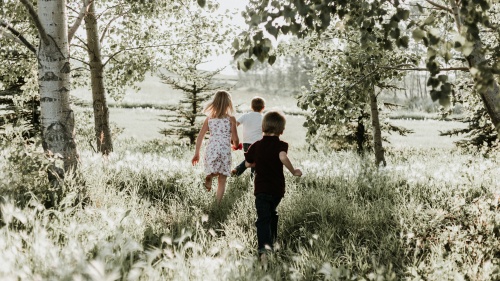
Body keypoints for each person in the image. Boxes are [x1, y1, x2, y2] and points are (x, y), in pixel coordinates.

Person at [244, 111, 302, 262]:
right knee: (272, 214)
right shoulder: (282, 145)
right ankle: (273, 243)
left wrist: (253, 163)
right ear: (281, 130)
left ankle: (264, 252)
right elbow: (282, 156)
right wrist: (294, 171)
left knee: (263, 219)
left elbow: (248, 163)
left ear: (263, 126)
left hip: (261, 189)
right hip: (277, 190)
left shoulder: (256, 145)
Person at [192, 90, 239, 203]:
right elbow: (236, 139)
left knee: (212, 168)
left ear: (215, 103)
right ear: (229, 104)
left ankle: (210, 175)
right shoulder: (231, 119)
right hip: (224, 149)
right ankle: (218, 204)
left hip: (211, 148)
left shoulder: (209, 118)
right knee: (222, 179)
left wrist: (197, 153)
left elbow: (200, 137)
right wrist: (236, 145)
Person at [231, 96, 266, 178]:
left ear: (251, 107)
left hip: (246, 142)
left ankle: (237, 171)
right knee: (255, 161)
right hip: (258, 143)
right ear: (263, 108)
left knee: (250, 160)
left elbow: (235, 124)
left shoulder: (245, 116)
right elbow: (265, 130)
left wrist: (233, 135)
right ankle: (253, 178)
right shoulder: (263, 118)